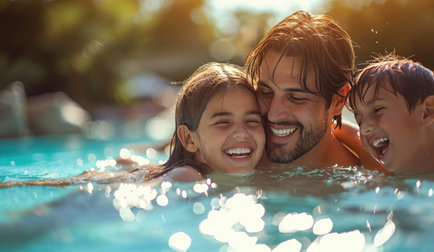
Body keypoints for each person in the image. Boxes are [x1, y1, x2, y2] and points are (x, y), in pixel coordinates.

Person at [0, 63, 266, 188]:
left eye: (252, 120)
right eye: (223, 123)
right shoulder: (188, 176)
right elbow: (128, 196)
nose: (241, 132)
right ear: (189, 139)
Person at [245, 10, 378, 171]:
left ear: (338, 100)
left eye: (296, 97)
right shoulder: (231, 160)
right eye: (266, 92)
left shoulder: (370, 181)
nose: (273, 114)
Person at [346, 54, 434, 174]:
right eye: (359, 121)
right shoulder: (380, 185)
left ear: (427, 112)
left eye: (378, 110)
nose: (363, 128)